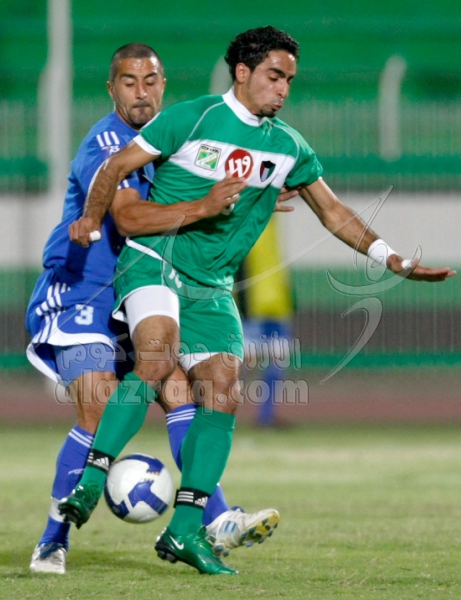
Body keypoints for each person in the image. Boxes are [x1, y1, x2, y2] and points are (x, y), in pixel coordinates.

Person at [61, 27, 456, 575]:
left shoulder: (288, 145)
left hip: (212, 283)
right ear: (243, 73)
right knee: (156, 355)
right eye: (275, 76)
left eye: (290, 79)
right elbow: (115, 168)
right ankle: (91, 479)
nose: (284, 89)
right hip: (155, 261)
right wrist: (89, 217)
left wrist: (390, 257)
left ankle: (184, 531)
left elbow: (333, 211)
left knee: (223, 393)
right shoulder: (193, 117)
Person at [27, 42, 287, 575]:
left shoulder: (173, 140)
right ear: (112, 89)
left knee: (180, 393)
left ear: (163, 85)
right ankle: (53, 541)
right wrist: (206, 205)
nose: (141, 93)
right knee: (98, 404)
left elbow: (208, 185)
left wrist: (248, 196)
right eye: (129, 83)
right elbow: (129, 217)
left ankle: (216, 518)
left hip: (141, 289)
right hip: (82, 292)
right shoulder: (109, 143)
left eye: (150, 82)